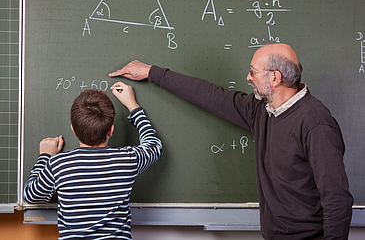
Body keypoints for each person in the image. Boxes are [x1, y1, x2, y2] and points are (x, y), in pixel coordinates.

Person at [109, 43, 353, 240]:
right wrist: (153, 73)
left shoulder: (315, 123)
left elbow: (337, 200)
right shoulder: (262, 110)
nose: (248, 77)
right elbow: (211, 96)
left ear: (275, 78)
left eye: (253, 71)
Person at [23, 82, 162, 240]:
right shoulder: (126, 160)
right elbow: (154, 145)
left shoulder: (59, 165)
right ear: (111, 130)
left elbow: (31, 195)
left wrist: (45, 155)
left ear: (73, 129)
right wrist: (133, 106)